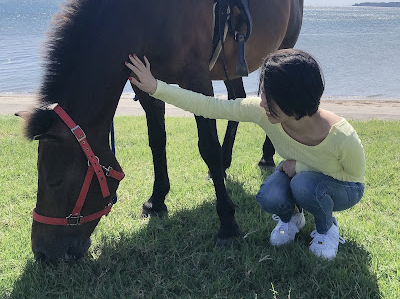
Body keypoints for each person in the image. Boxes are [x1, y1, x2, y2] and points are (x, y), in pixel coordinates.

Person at [125, 49, 365, 260]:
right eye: (262, 93)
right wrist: (155, 87)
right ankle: (292, 218)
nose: (262, 103)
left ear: (293, 99)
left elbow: (354, 179)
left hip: (344, 187)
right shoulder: (264, 112)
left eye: (269, 98)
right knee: (269, 195)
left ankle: (327, 229)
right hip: (300, 174)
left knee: (304, 184)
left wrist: (300, 167)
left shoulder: (341, 136)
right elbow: (208, 106)